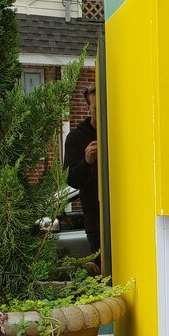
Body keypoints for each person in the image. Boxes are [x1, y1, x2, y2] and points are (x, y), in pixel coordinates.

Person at [63, 85, 100, 256]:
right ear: (87, 108)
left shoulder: (123, 133)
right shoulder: (76, 138)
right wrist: (87, 162)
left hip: (129, 216)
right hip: (96, 221)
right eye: (96, 108)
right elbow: (71, 179)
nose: (101, 113)